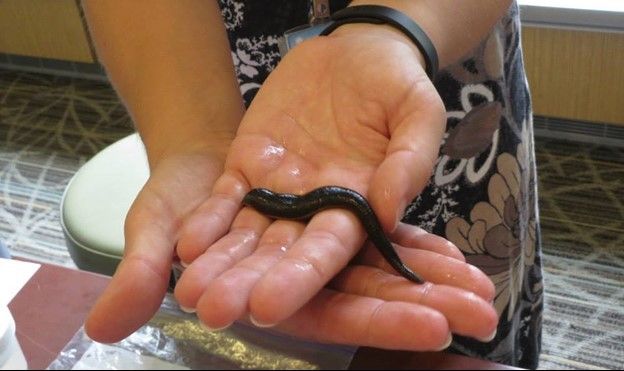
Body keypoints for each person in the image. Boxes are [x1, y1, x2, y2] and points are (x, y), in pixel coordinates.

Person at [81, 0, 543, 368]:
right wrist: (195, 137)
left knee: (449, 334)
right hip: (237, 101)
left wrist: (394, 26)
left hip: (448, 83)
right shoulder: (255, 190)